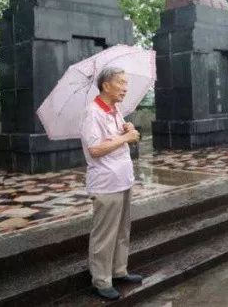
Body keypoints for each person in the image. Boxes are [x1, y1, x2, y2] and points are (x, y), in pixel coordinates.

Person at [80, 67, 143, 300]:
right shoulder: (92, 112)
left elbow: (116, 138)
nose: (126, 88)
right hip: (106, 183)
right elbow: (95, 149)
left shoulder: (114, 110)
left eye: (126, 83)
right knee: (104, 234)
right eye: (121, 83)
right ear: (106, 85)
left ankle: (118, 270)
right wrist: (126, 137)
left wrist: (127, 128)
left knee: (122, 231)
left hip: (123, 179)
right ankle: (101, 280)